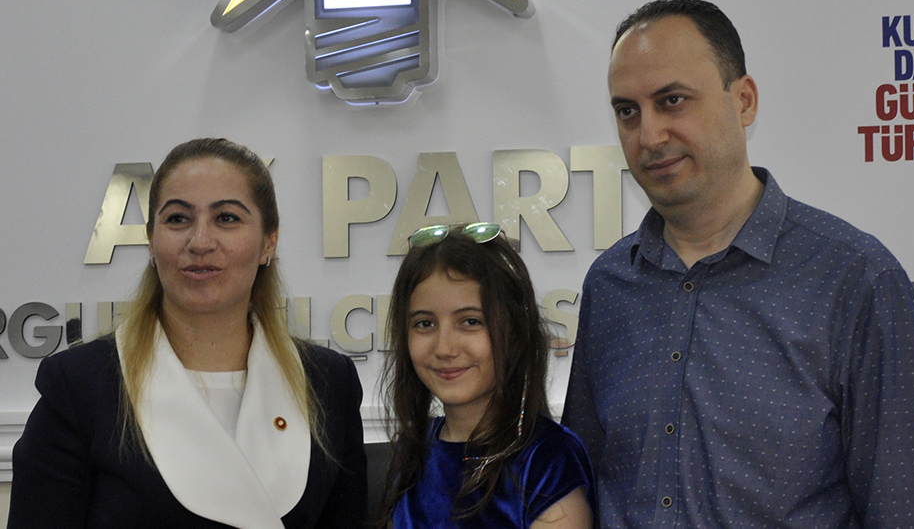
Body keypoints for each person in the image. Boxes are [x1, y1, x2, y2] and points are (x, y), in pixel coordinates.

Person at [562, 0, 914, 529]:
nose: (649, 136)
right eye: (628, 111)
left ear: (744, 101)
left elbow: (907, 512)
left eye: (672, 100)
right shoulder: (609, 285)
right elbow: (578, 490)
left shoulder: (856, 281)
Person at [9, 138, 367, 529]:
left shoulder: (328, 382)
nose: (200, 242)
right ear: (151, 239)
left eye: (227, 218)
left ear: (269, 241)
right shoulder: (79, 386)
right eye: (178, 219)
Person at [377, 223, 596, 529]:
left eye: (470, 321)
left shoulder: (548, 458)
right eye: (425, 324)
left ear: (515, 332)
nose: (444, 348)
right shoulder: (411, 451)